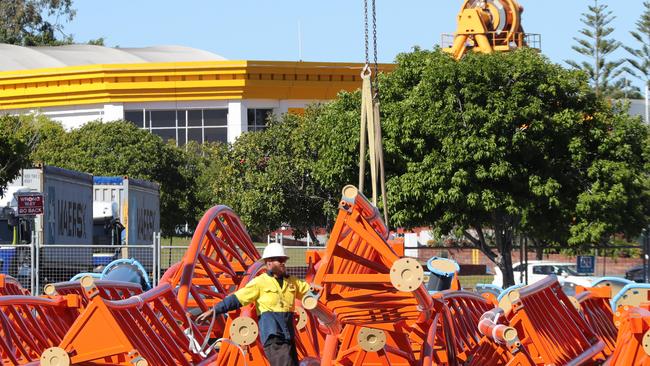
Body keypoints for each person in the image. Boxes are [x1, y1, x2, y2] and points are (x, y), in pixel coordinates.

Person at [196, 242, 311, 366]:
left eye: (284, 259)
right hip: (273, 336)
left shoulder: (292, 282)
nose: (283, 262)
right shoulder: (260, 283)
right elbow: (237, 298)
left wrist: (316, 292)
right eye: (279, 260)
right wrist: (214, 310)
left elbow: (310, 291)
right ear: (269, 262)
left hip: (288, 336)